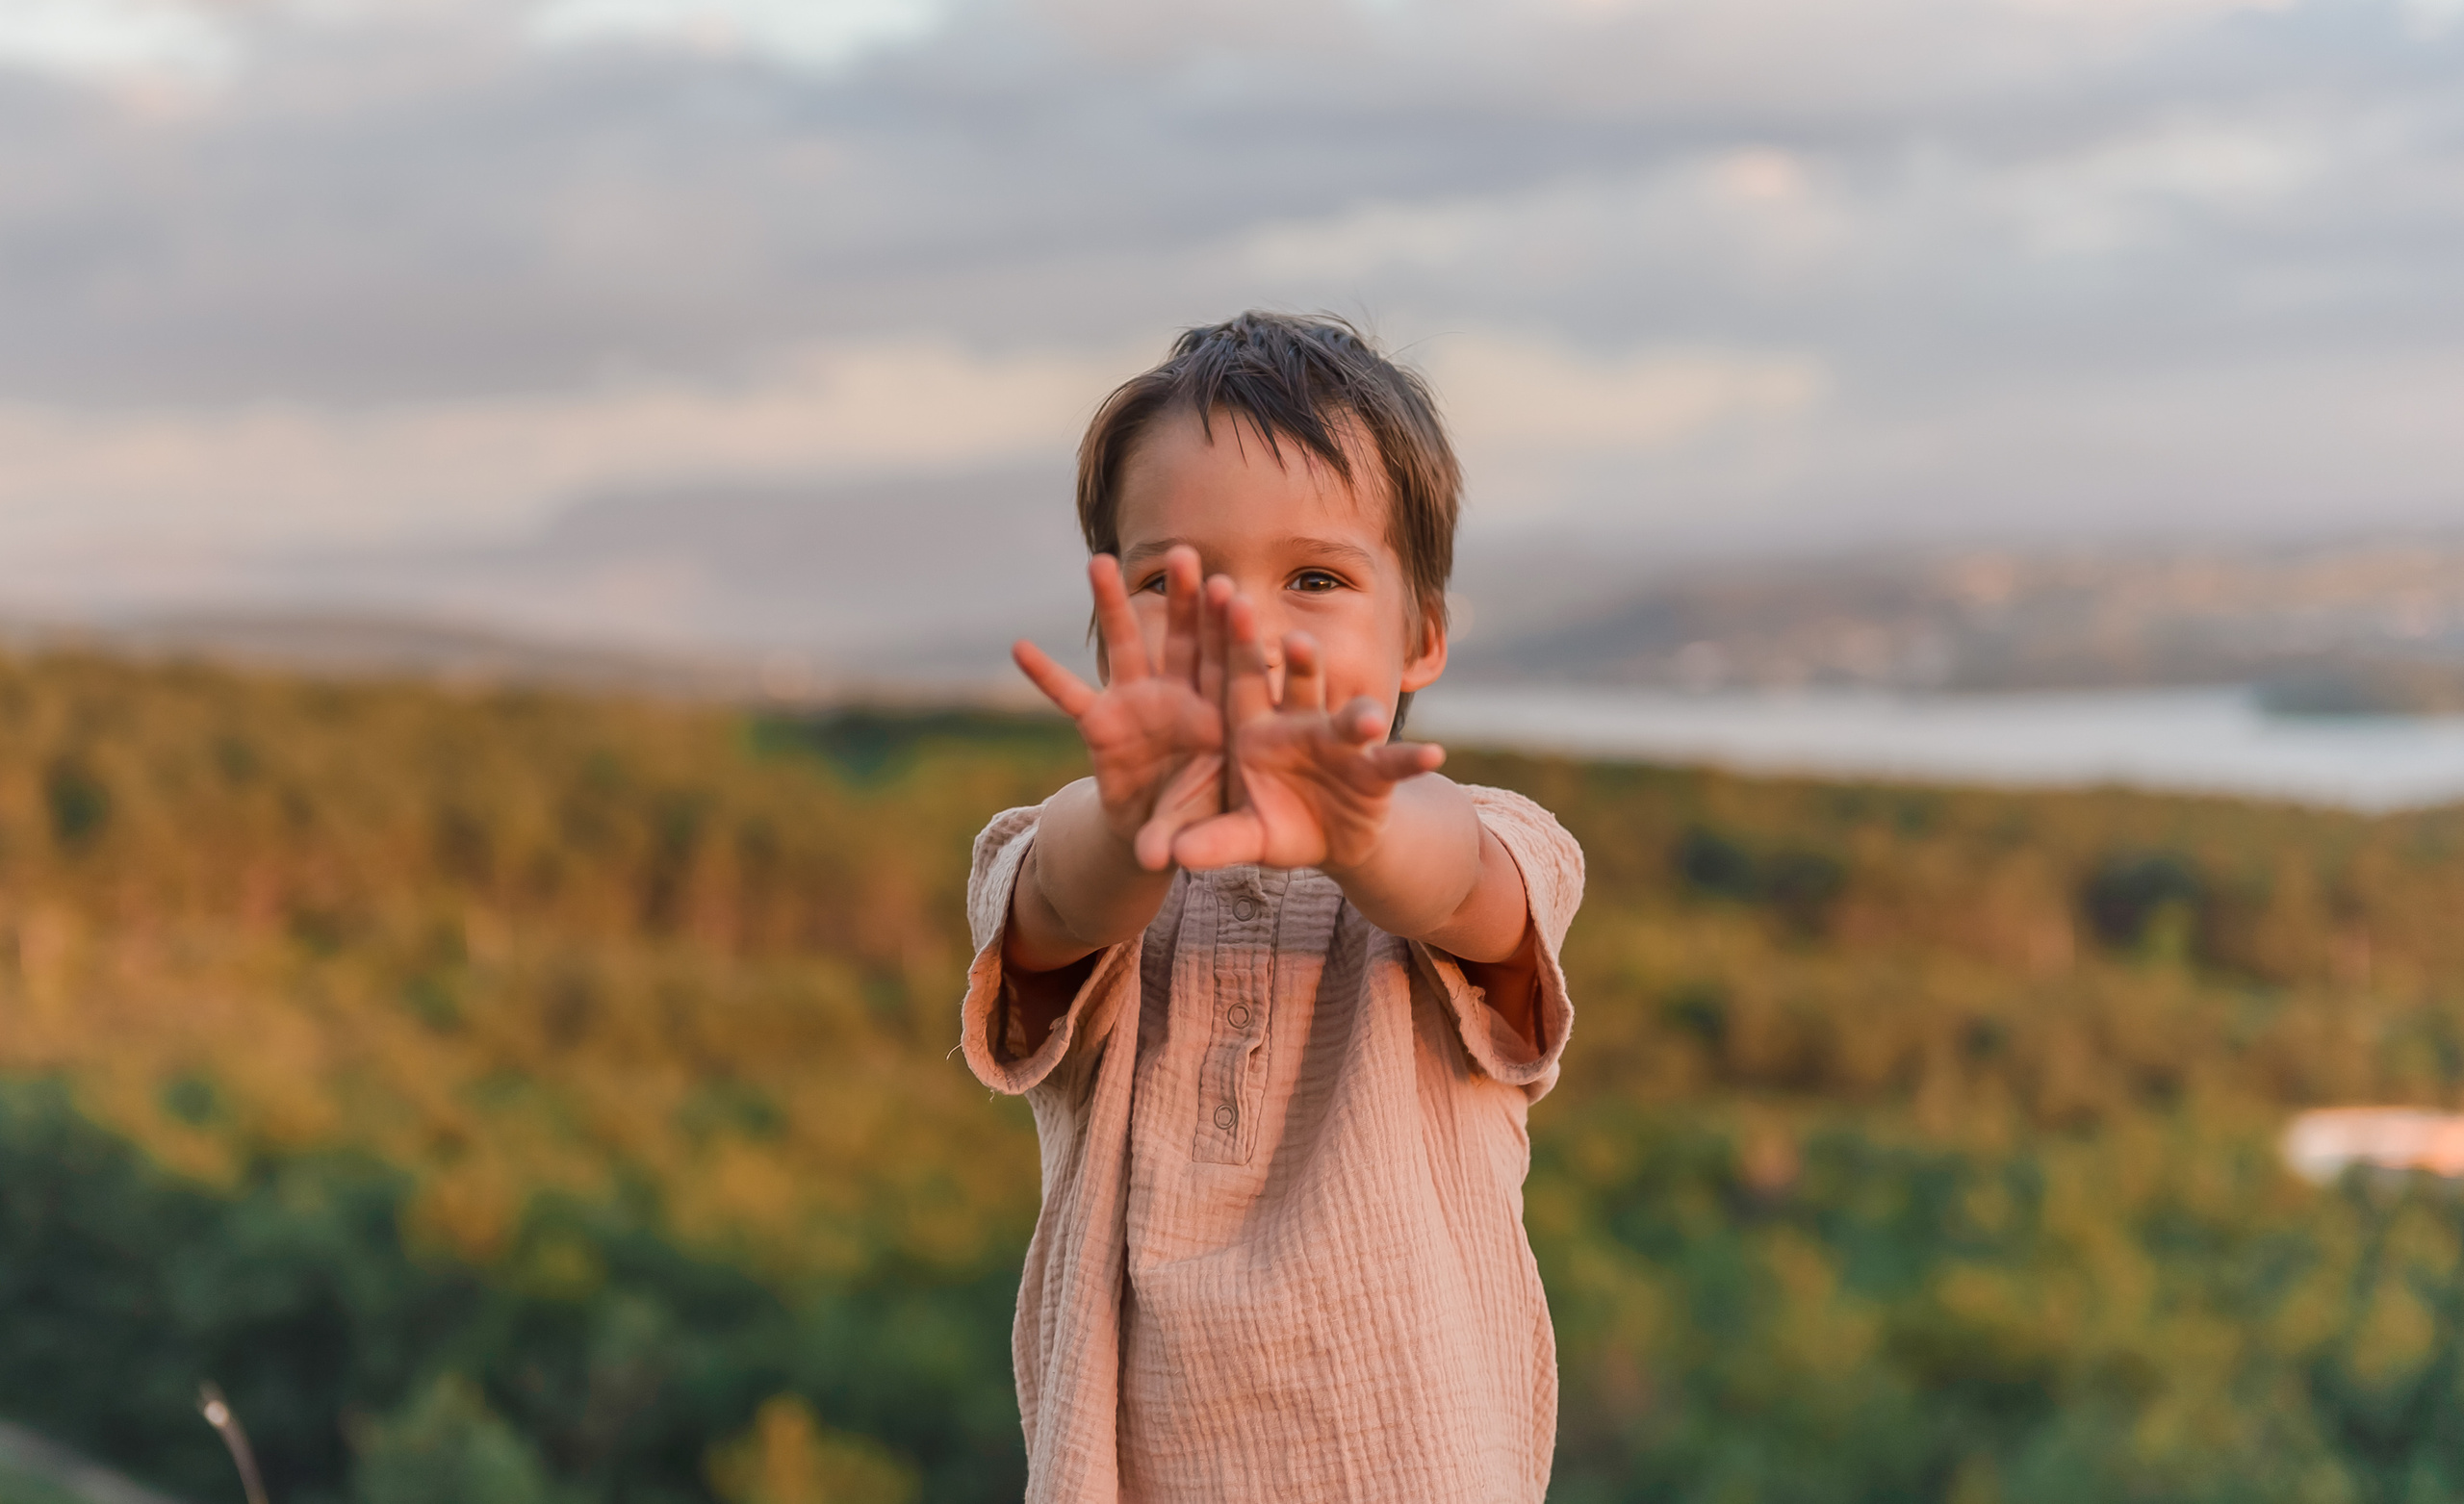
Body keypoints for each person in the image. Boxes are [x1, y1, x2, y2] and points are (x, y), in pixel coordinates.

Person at [959, 310, 1585, 1502]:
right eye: (1170, 583)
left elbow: (1461, 883)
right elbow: (1058, 902)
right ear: (1109, 638)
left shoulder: (1484, 839)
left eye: (1314, 577)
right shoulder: (1075, 850)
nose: (1241, 630)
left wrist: (1357, 830)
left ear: (1422, 637)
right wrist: (1137, 821)